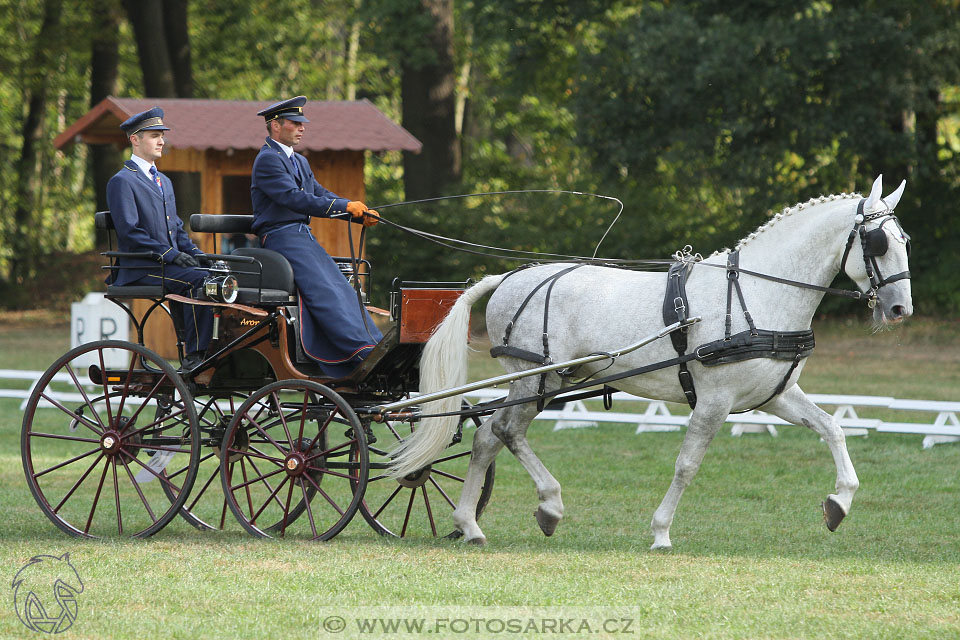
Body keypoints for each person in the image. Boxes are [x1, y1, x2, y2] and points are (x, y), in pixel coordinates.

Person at [251, 96, 382, 378]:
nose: (302, 128)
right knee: (325, 290)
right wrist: (343, 207)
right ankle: (358, 351)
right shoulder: (267, 161)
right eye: (295, 123)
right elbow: (295, 199)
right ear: (276, 126)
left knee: (343, 286)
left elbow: (319, 194)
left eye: (302, 124)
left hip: (301, 237)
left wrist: (354, 211)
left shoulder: (298, 160)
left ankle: (376, 345)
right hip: (280, 238)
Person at [106, 107, 212, 371]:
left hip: (166, 265)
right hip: (141, 268)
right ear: (135, 139)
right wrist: (170, 254)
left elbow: (175, 227)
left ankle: (214, 346)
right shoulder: (122, 181)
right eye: (154, 135)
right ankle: (196, 352)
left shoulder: (163, 180)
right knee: (198, 281)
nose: (162, 141)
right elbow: (130, 231)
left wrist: (194, 252)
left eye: (162, 135)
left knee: (214, 274)